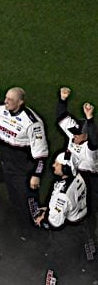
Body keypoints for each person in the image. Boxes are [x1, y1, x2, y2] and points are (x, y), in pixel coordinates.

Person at [31, 152, 88, 285]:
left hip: (64, 240)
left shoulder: (63, 195)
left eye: (56, 164)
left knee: (53, 277)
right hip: (79, 233)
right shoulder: (79, 178)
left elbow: (55, 223)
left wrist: (42, 220)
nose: (53, 166)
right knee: (75, 274)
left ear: (65, 168)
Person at [0, 87, 49, 228]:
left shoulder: (33, 123)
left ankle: (34, 226)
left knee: (27, 199)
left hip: (24, 170)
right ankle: (19, 222)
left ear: (20, 102)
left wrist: (36, 174)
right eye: (6, 98)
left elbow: (41, 153)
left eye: (10, 100)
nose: (6, 101)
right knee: (13, 196)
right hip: (7, 164)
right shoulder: (1, 110)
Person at [56, 88, 98, 257]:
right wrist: (63, 99)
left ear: (86, 136)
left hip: (91, 182)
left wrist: (90, 118)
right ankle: (74, 243)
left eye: (80, 135)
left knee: (88, 215)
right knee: (72, 211)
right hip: (75, 178)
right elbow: (61, 117)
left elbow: (94, 139)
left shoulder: (92, 148)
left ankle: (91, 249)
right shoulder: (74, 132)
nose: (75, 137)